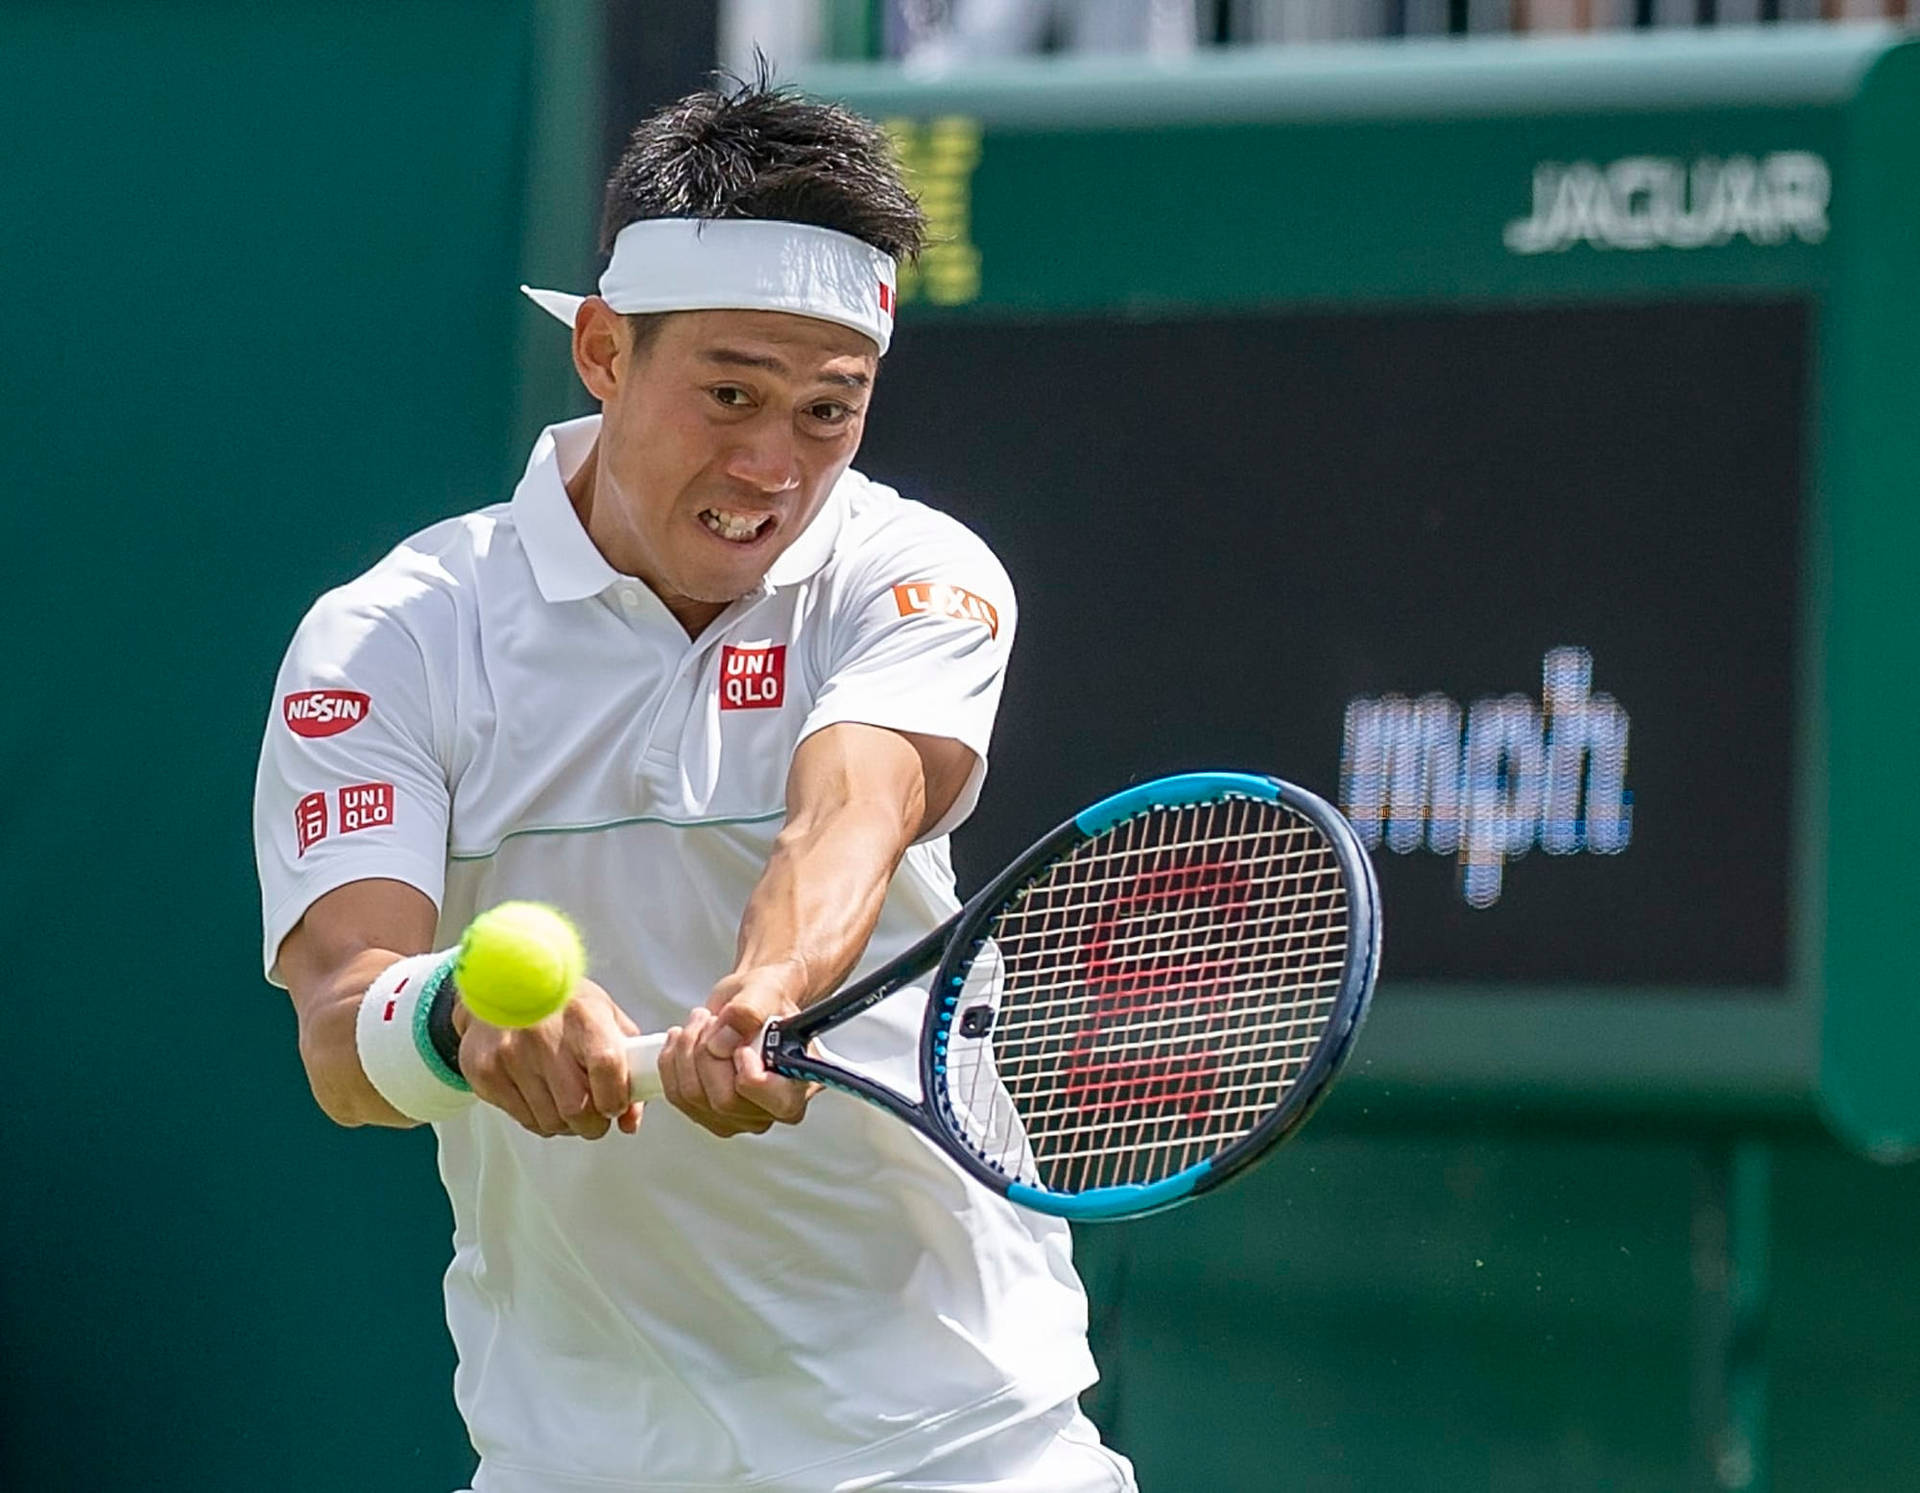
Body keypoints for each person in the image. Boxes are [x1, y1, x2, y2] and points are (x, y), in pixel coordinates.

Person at [253, 74, 1137, 1493]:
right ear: (603, 352)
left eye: (827, 412)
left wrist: (768, 989)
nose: (771, 464)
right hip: (579, 1457)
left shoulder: (917, 573)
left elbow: (851, 806)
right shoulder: (391, 636)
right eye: (728, 394)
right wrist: (460, 1006)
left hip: (958, 1446)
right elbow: (341, 1027)